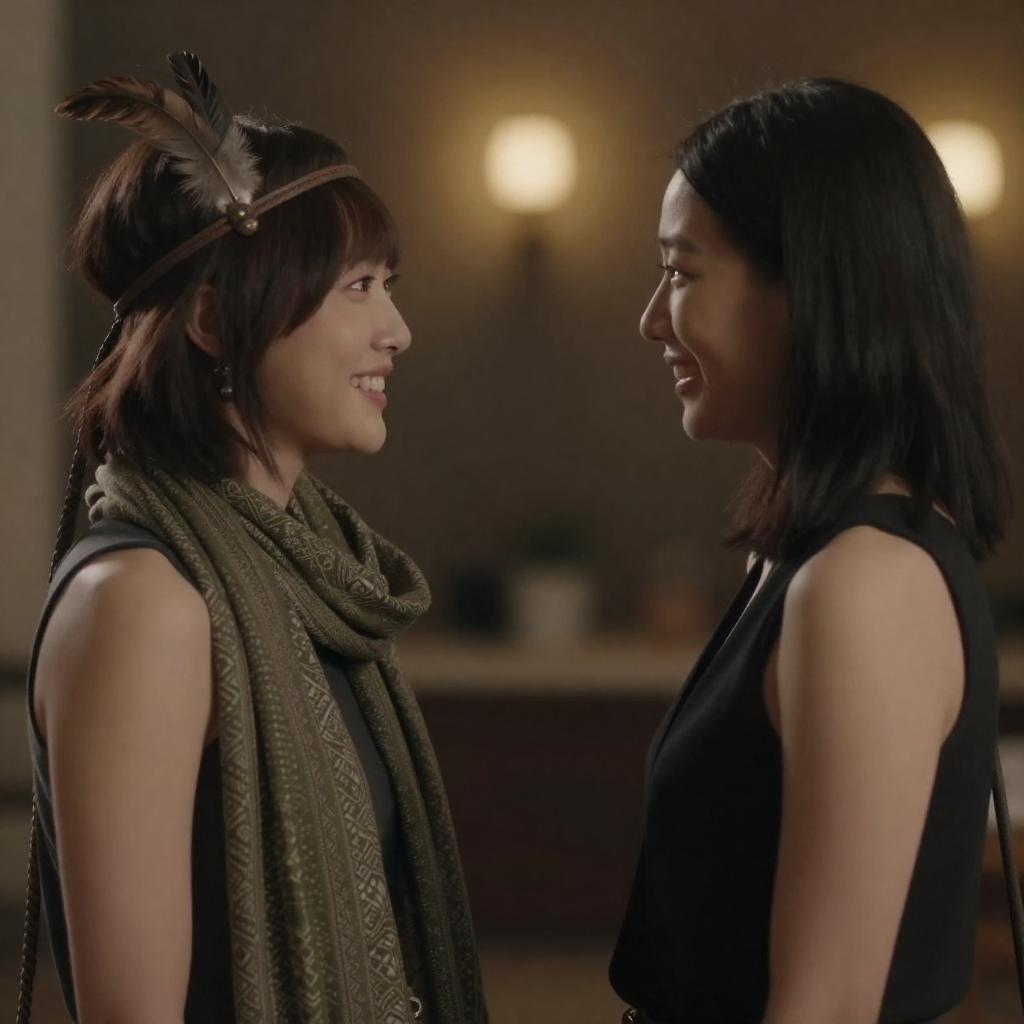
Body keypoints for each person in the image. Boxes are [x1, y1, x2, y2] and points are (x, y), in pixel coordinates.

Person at [19, 52, 486, 1024]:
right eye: (358, 286)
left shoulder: (309, 573)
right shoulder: (142, 604)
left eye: (389, 283)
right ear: (213, 320)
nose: (397, 329)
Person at [610, 78, 1011, 1024]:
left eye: (681, 273)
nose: (652, 319)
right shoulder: (809, 555)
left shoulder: (863, 582)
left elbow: (822, 1008)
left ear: (809, 290)